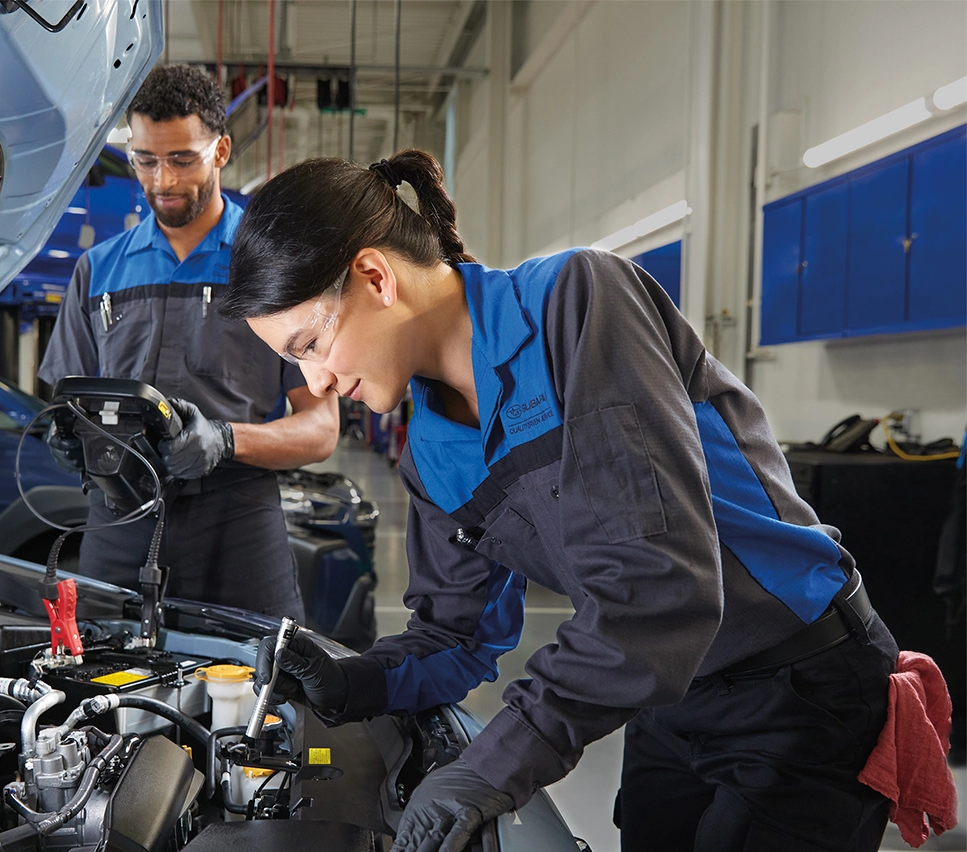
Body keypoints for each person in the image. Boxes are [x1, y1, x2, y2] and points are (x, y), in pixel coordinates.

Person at [221, 150, 901, 852]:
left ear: (375, 276)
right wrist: (352, 680)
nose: (318, 381)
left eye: (311, 343)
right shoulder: (430, 454)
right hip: (666, 694)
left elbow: (659, 591)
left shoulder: (576, 306)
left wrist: (494, 766)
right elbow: (459, 636)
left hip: (802, 687)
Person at [37, 65, 338, 619]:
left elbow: (321, 430)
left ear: (221, 150)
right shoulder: (97, 271)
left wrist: (225, 440)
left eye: (182, 159)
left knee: (261, 692)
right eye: (145, 160)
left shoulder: (272, 267)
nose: (162, 181)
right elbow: (66, 402)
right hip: (117, 520)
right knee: (103, 695)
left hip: (239, 525)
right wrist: (68, 439)